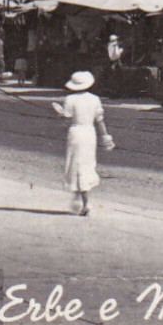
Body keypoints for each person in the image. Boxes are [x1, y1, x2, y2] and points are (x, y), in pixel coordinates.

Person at [50, 71, 114, 216]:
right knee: (86, 164)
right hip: (90, 134)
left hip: (76, 133)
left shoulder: (70, 99)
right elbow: (100, 120)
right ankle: (80, 200)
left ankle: (84, 202)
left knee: (77, 166)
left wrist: (60, 114)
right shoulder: (95, 99)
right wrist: (106, 138)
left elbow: (66, 120)